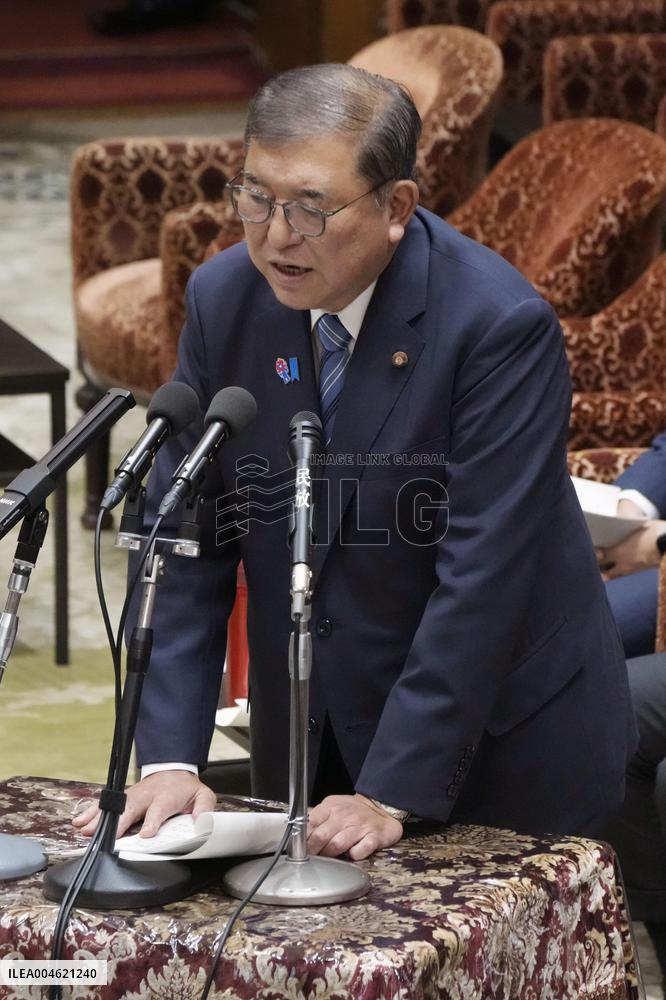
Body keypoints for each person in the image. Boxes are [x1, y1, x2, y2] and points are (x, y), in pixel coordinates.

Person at [75, 63, 635, 860]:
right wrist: (169, 755)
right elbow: (184, 533)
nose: (275, 234)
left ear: (396, 206)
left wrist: (392, 786)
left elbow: (483, 574)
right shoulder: (227, 298)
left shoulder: (497, 326)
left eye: (310, 207)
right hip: (308, 728)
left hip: (492, 741)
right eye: (256, 198)